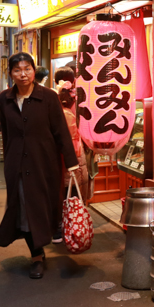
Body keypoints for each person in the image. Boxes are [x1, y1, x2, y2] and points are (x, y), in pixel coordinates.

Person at [0, 53, 78, 278]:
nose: (23, 74)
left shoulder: (48, 97)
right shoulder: (4, 98)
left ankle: (45, 243)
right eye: (17, 70)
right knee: (24, 207)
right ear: (10, 73)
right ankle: (36, 255)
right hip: (17, 165)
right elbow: (7, 135)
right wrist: (5, 161)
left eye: (27, 69)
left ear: (33, 70)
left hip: (44, 163)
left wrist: (71, 163)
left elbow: (61, 130)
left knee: (44, 206)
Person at [54, 82, 90, 243]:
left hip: (59, 159)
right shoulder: (72, 116)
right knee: (73, 197)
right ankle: (73, 227)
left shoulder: (57, 116)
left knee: (60, 195)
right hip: (74, 158)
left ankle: (59, 228)